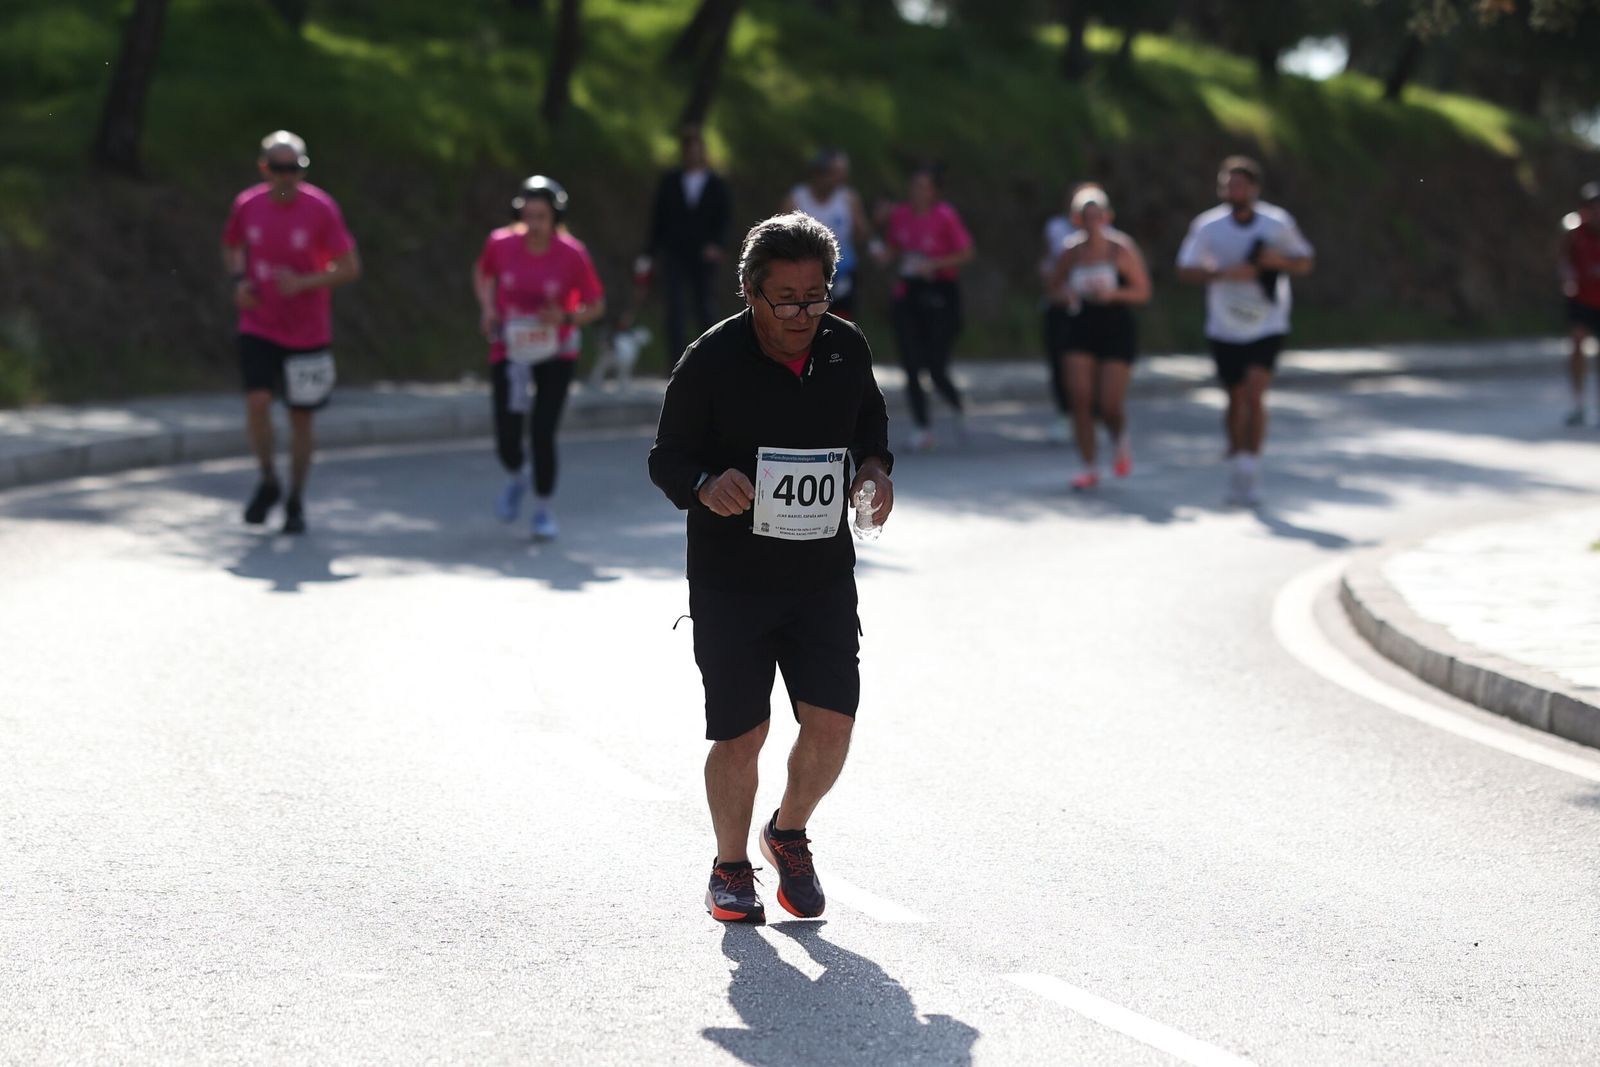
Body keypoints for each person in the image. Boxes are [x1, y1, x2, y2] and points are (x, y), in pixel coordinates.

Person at [648, 212, 894, 924]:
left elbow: (870, 433)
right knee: (741, 731)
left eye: (816, 296)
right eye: (786, 298)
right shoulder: (711, 359)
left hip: (819, 576)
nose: (803, 314)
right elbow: (667, 457)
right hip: (732, 579)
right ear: (750, 292)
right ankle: (730, 865)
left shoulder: (846, 349)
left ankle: (787, 832)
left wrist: (875, 475)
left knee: (833, 723)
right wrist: (703, 484)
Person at [222, 130, 361, 535]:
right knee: (258, 402)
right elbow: (232, 245)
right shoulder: (247, 206)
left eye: (295, 169)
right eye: (279, 168)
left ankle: (296, 499)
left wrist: (305, 283)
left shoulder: (321, 209)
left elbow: (349, 268)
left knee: (301, 418)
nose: (287, 177)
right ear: (265, 169)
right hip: (259, 322)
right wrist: (238, 282)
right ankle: (268, 480)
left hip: (307, 329)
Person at [1176, 156, 1314, 507]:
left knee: (1255, 394)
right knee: (1235, 398)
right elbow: (1185, 270)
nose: (1234, 190)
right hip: (1224, 323)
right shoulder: (1207, 226)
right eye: (1228, 183)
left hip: (1268, 321)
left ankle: (1252, 467)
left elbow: (1304, 261)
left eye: (1241, 184)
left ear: (1254, 188)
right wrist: (1222, 274)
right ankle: (1238, 462)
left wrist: (1274, 262)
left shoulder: (1277, 222)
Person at [473, 176, 606, 539]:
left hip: (556, 351)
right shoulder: (500, 244)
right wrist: (488, 309)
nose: (533, 225)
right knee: (507, 436)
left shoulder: (572, 253)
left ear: (555, 218)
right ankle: (518, 477)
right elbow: (484, 274)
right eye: (527, 215)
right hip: (511, 349)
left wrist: (564, 317)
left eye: (541, 217)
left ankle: (543, 510)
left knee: (543, 432)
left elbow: (596, 305)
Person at [1048, 185, 1152, 490]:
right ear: (1076, 219)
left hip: (1115, 324)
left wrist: (1114, 293)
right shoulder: (1070, 252)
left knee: (1108, 403)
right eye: (1085, 216)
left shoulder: (1121, 249)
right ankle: (1088, 465)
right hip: (1080, 323)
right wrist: (1064, 295)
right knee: (1079, 397)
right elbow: (1052, 290)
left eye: (1097, 215)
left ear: (1107, 217)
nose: (1092, 221)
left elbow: (1143, 291)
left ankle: (1119, 437)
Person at [875, 165, 975, 452]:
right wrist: (885, 253)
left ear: (935, 191)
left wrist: (934, 264)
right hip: (909, 293)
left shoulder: (945, 216)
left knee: (934, 365)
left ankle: (957, 404)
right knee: (910, 363)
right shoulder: (901, 214)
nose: (917, 192)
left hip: (940, 294)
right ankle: (922, 427)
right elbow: (895, 247)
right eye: (914, 185)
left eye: (924, 187)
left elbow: (967, 252)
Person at [643, 124, 732, 361]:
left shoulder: (715, 184)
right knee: (675, 309)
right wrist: (650, 252)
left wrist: (718, 245)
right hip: (675, 251)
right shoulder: (671, 181)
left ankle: (710, 358)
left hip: (704, 254)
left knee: (705, 306)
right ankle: (677, 362)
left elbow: (724, 219)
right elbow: (659, 218)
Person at [781, 149, 873, 319]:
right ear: (819, 173)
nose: (840, 180)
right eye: (836, 174)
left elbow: (862, 234)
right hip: (806, 275)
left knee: (841, 323)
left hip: (843, 272)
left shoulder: (848, 198)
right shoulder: (797, 198)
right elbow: (781, 237)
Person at [1040, 187, 1082, 443]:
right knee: (1059, 361)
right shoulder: (1056, 227)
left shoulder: (1106, 235)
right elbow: (1048, 262)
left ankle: (1091, 416)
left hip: (1091, 306)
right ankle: (1065, 414)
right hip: (1059, 303)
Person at [1560, 181, 1600, 426]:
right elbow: (1561, 259)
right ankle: (1578, 402)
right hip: (1581, 297)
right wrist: (1567, 277)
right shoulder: (1572, 230)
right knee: (1577, 346)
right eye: (1592, 208)